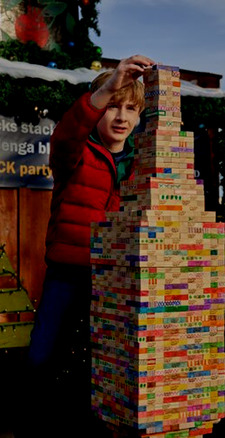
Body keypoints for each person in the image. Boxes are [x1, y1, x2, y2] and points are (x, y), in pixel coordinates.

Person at [16, 55, 154, 437]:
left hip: (118, 281)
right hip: (69, 271)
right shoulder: (76, 153)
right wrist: (108, 87)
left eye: (130, 108)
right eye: (113, 106)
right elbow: (66, 134)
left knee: (105, 365)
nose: (121, 116)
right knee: (42, 358)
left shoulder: (143, 164)